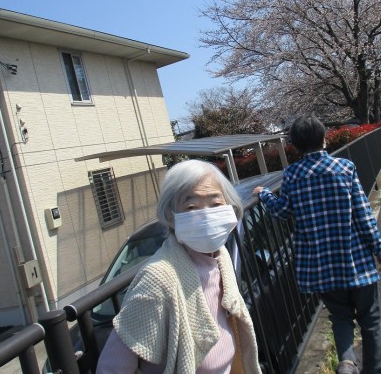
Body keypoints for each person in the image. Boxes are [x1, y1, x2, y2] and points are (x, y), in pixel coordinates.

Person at [252, 115, 381, 374]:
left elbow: (281, 211)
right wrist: (379, 248)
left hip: (322, 268)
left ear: (295, 146)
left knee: (340, 317)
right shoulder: (345, 168)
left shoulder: (292, 174)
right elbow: (363, 214)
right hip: (357, 262)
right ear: (325, 139)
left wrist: (265, 195)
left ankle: (347, 362)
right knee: (371, 321)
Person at [97, 159, 261, 374]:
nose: (206, 215)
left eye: (215, 204)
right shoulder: (157, 280)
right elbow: (111, 368)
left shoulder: (220, 257)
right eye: (191, 207)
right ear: (170, 216)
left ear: (230, 206)